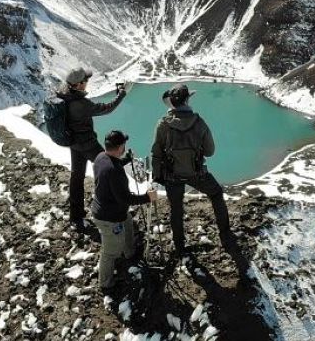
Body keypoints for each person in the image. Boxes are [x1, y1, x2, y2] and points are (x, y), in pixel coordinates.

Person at [150, 84, 234, 258]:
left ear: (171, 103)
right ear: (188, 100)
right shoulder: (199, 122)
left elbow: (156, 153)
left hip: (172, 176)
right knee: (216, 194)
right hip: (197, 174)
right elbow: (210, 152)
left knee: (176, 209)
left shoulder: (162, 124)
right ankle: (226, 237)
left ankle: (180, 247)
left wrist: (158, 176)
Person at [58, 67, 128, 232]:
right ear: (79, 84)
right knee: (110, 169)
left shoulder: (64, 95)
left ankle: (76, 217)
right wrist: (121, 94)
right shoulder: (80, 104)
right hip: (88, 144)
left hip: (74, 144)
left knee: (77, 178)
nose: (87, 82)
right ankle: (113, 209)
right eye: (86, 80)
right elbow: (107, 108)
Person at [91, 130, 156, 291]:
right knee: (110, 252)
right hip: (109, 217)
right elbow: (126, 199)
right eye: (123, 146)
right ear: (120, 147)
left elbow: (113, 164)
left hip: (110, 209)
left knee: (127, 222)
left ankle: (130, 253)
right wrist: (148, 197)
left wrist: (126, 159)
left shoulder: (100, 158)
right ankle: (105, 283)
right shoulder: (114, 171)